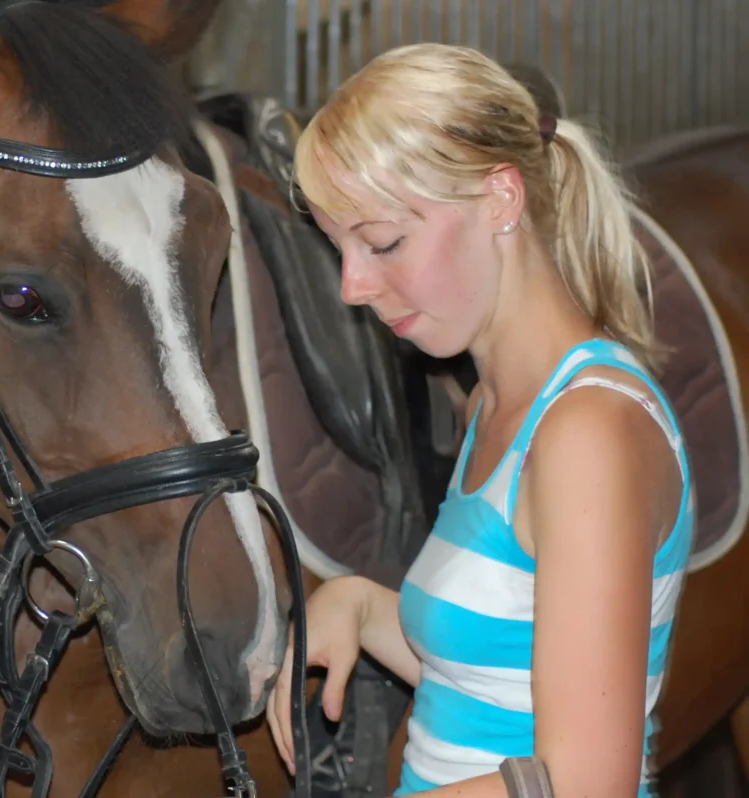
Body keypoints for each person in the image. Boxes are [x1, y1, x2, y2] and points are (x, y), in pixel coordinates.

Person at [264, 43, 694, 798]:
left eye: (384, 241)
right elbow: (496, 677)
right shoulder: (496, 406)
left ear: (500, 198)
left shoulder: (585, 434)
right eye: (341, 249)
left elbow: (586, 785)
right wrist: (362, 607)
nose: (353, 287)